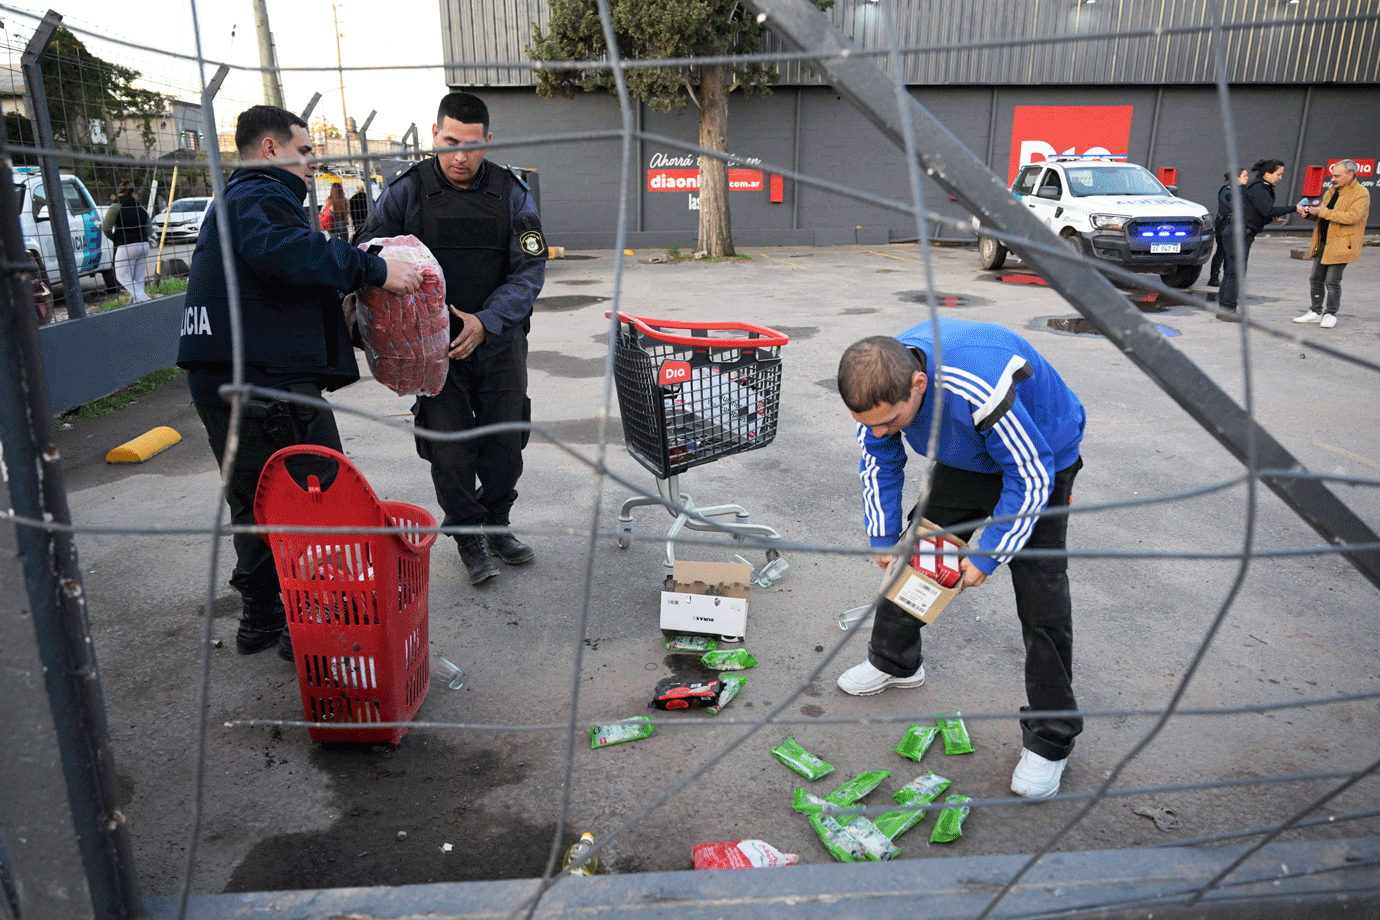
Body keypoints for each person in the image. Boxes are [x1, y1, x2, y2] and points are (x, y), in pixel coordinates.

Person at [177, 105, 421, 659]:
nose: (313, 162)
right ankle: (306, 629)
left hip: (226, 375)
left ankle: (262, 619)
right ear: (271, 150)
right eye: (305, 150)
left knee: (254, 502)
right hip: (267, 385)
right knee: (315, 501)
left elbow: (270, 280)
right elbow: (285, 253)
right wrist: (373, 269)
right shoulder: (257, 197)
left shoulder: (233, 202)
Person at [837, 321, 1085, 799]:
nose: (882, 432)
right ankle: (896, 661)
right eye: (870, 423)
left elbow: (1028, 476)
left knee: (1041, 594)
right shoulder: (884, 388)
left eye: (890, 421)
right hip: (967, 453)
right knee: (918, 553)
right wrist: (883, 535)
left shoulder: (977, 382)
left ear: (919, 384)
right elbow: (879, 460)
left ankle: (1051, 740)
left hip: (1043, 457)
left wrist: (989, 556)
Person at [354, 91, 546, 586]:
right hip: (431, 350)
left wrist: (486, 321)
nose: (460, 155)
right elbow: (369, 254)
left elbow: (529, 270)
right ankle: (468, 537)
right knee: (450, 448)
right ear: (435, 135)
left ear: (488, 141)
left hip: (498, 340)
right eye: (449, 142)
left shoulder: (512, 192)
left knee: (506, 441)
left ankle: (497, 522)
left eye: (472, 144)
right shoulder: (407, 191)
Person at [1292, 159, 1371, 330]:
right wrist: (1310, 214)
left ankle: (1330, 313)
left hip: (1342, 244)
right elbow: (1323, 214)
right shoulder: (1331, 191)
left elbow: (1352, 217)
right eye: (1332, 175)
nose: (1333, 179)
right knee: (1315, 278)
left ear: (1350, 175)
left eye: (1337, 175)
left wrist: (1324, 212)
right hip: (1324, 241)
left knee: (1332, 281)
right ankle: (1315, 312)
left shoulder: (1361, 193)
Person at [1216, 158, 1297, 316]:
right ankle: (1227, 310)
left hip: (1238, 232)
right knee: (1236, 273)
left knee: (1232, 272)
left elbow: (1257, 212)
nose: (1280, 178)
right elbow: (1267, 210)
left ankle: (1225, 306)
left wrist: (1268, 220)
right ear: (1267, 174)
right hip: (1239, 234)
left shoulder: (1258, 186)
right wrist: (1295, 208)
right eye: (1278, 174)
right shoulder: (1259, 188)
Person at [102, 181, 152, 303]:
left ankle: (147, 301)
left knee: (122, 276)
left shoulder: (116, 205)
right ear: (133, 192)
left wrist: (116, 239)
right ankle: (140, 308)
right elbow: (149, 229)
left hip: (126, 244)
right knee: (138, 280)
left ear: (120, 190)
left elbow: (106, 227)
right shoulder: (139, 207)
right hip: (144, 245)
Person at [1207, 168, 1248, 287]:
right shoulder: (1227, 190)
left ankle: (1226, 276)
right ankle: (1214, 277)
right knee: (1222, 251)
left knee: (1230, 252)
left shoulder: (1240, 190)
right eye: (1244, 175)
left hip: (1234, 224)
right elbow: (1236, 205)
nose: (1247, 178)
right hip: (1224, 224)